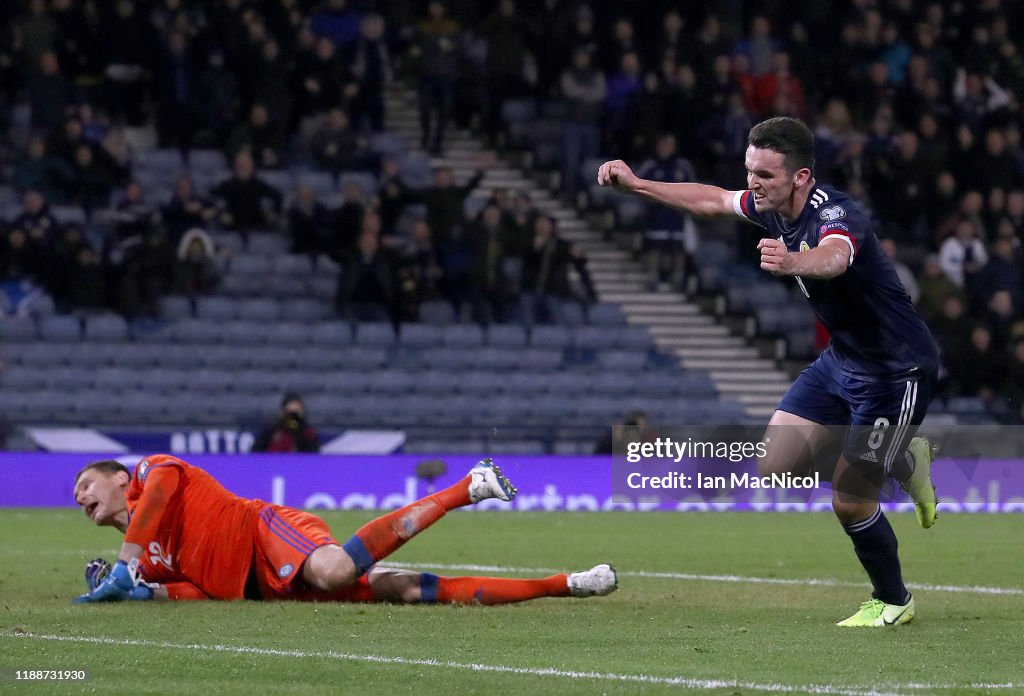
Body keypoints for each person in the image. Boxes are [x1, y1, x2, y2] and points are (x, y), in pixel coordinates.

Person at [597, 116, 940, 628]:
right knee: (774, 464)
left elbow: (836, 258)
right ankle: (902, 459)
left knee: (848, 501)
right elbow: (712, 199)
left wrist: (793, 261)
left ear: (801, 177)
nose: (753, 184)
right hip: (842, 361)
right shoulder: (769, 207)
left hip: (897, 373)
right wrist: (639, 184)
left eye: (765, 175)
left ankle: (894, 600)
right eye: (749, 171)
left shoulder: (837, 213)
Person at [71, 456, 617, 604]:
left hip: (267, 532)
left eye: (86, 487)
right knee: (402, 590)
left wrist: (124, 564)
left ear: (118, 478)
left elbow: (158, 499)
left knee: (334, 570)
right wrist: (147, 591)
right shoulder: (150, 559)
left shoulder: (150, 472)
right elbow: (196, 587)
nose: (81, 500)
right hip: (266, 587)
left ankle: (468, 486)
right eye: (76, 501)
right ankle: (568, 583)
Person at [252, 394, 321, 454]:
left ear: (302, 412)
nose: (293, 418)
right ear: (283, 413)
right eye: (290, 413)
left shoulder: (308, 433)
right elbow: (255, 453)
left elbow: (313, 455)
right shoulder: (271, 430)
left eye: (296, 413)